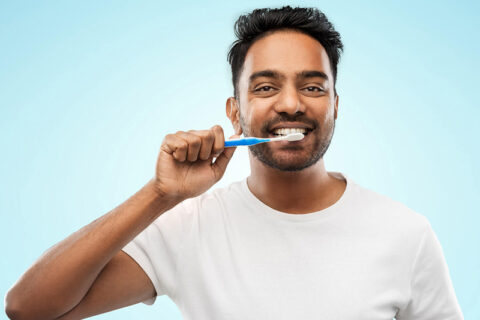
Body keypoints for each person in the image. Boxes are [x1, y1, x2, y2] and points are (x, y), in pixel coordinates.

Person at [5, 6, 463, 320]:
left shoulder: (406, 234)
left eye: (313, 87)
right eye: (265, 87)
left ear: (336, 104)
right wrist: (159, 195)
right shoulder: (189, 226)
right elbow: (29, 309)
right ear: (234, 111)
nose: (290, 104)